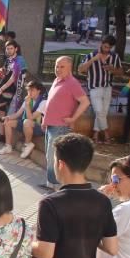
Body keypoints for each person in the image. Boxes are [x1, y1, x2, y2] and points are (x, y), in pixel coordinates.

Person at [40, 57, 90, 191]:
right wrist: (45, 121)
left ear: (69, 67)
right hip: (51, 125)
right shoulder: (57, 80)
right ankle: (50, 184)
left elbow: (85, 102)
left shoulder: (72, 83)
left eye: (62, 67)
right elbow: (51, 103)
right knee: (49, 156)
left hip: (60, 127)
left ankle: (56, 186)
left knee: (55, 158)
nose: (58, 69)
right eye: (57, 66)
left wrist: (73, 118)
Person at [78, 35, 123, 143]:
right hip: (94, 87)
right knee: (99, 111)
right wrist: (93, 59)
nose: (106, 49)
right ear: (101, 44)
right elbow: (80, 69)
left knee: (103, 112)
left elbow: (121, 72)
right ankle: (107, 133)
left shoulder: (114, 56)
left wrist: (112, 69)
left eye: (109, 48)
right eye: (105, 46)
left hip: (107, 87)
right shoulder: (91, 55)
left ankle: (96, 134)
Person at [0, 80, 47, 159]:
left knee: (27, 121)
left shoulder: (43, 102)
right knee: (8, 122)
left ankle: (28, 144)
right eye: (28, 90)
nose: (29, 92)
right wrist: (7, 117)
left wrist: (27, 105)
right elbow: (17, 114)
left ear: (38, 91)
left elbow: (31, 117)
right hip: (26, 125)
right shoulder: (28, 100)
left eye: (32, 90)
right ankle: (8, 146)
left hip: (39, 127)